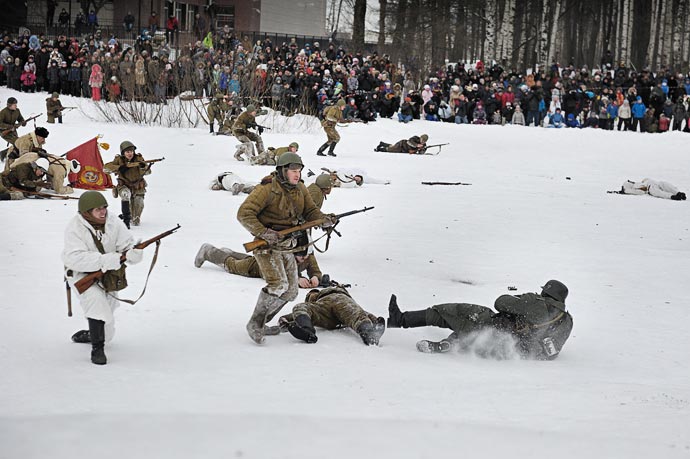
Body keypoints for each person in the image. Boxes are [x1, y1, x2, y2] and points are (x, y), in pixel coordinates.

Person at [236, 152, 335, 344]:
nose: (297, 175)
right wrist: (264, 232)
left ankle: (263, 322)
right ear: (282, 171)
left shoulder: (301, 188)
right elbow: (244, 214)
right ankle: (255, 324)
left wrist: (323, 220)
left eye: (298, 171)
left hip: (288, 245)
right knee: (277, 285)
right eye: (293, 171)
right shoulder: (266, 189)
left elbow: (310, 211)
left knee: (291, 291)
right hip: (266, 246)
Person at [387, 280, 573, 360]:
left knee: (449, 313)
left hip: (496, 329)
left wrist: (521, 300)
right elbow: (552, 353)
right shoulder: (566, 321)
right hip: (508, 350)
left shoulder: (537, 303)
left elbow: (500, 302)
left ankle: (401, 319)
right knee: (470, 331)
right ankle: (452, 343)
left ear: (546, 292)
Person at [62, 191, 144, 365]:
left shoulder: (114, 222)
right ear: (86, 211)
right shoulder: (74, 228)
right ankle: (97, 349)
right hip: (81, 274)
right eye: (98, 209)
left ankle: (94, 335)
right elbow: (75, 258)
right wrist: (110, 259)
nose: (103, 212)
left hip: (108, 274)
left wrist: (134, 252)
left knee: (108, 327)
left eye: (105, 208)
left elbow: (126, 244)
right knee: (96, 304)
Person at [277, 286, 386, 345]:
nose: (311, 295)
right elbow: (298, 312)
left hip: (340, 300)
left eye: (312, 293)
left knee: (355, 314)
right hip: (324, 310)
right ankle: (307, 331)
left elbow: (362, 313)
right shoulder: (314, 305)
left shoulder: (337, 293)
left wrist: (375, 322)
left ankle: (369, 334)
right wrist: (285, 322)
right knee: (300, 307)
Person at [194, 245, 325, 289]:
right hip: (258, 268)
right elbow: (272, 274)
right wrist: (295, 279)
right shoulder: (285, 257)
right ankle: (208, 251)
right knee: (232, 266)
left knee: (246, 259)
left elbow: (314, 269)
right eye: (301, 256)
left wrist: (315, 277)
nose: (304, 259)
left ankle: (226, 252)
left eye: (306, 257)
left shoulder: (307, 255)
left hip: (257, 260)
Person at [103, 141, 152, 228]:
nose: (130, 154)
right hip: (124, 186)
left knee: (136, 220)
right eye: (127, 152)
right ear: (123, 153)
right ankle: (126, 219)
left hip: (138, 187)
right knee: (126, 195)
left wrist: (143, 167)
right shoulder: (119, 159)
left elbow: (148, 172)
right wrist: (120, 167)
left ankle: (130, 216)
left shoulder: (139, 158)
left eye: (131, 151)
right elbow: (105, 168)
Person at [617, 178, 686, 200]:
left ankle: (678, 193)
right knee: (660, 191)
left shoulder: (637, 184)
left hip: (653, 184)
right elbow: (641, 192)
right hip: (650, 188)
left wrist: (624, 191)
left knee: (664, 184)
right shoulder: (635, 188)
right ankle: (673, 196)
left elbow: (641, 189)